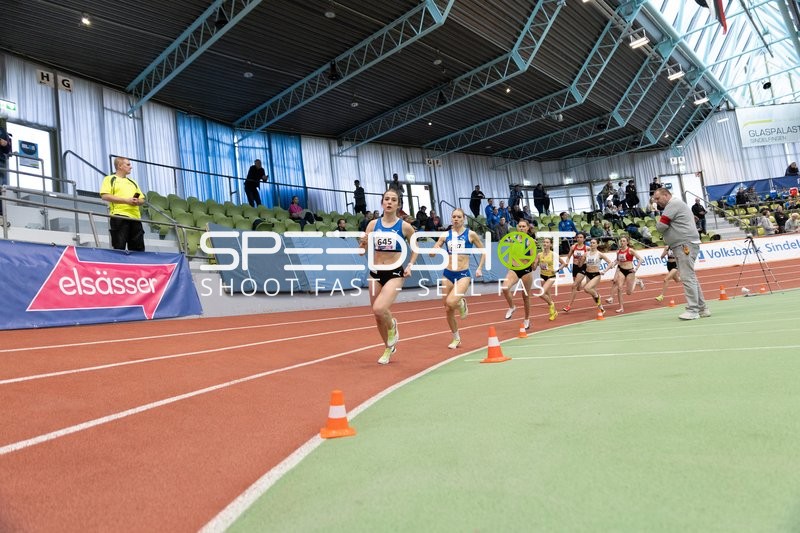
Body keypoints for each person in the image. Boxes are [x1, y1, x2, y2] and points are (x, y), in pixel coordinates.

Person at [360, 189, 418, 364]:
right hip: (375, 273)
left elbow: (415, 248)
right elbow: (363, 249)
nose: (389, 202)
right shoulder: (372, 224)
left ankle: (392, 325)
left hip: (394, 273)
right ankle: (388, 348)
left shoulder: (405, 227)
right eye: (386, 199)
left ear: (398, 204)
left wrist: (410, 265)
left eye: (393, 200)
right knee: (377, 315)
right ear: (382, 202)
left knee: (380, 308)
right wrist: (362, 245)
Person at [429, 208, 485, 349]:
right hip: (448, 273)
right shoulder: (446, 234)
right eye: (454, 216)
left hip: (463, 274)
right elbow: (434, 250)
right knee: (448, 308)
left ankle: (460, 303)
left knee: (451, 301)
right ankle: (456, 338)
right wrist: (434, 250)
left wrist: (479, 268)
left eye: (459, 217)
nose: (456, 219)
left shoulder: (470, 234)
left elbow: (483, 251)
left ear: (463, 219)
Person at [653, 187, 710, 320]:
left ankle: (693, 310)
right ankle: (702, 308)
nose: (656, 201)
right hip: (685, 243)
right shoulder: (676, 204)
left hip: (684, 244)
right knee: (690, 277)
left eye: (658, 198)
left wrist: (661, 226)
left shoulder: (673, 205)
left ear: (666, 195)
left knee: (687, 277)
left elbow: (661, 226)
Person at [100, 157, 145, 252]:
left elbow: (142, 199)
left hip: (136, 218)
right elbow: (105, 196)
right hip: (119, 216)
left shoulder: (133, 182)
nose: (131, 167)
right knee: (119, 247)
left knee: (138, 250)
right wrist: (126, 200)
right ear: (120, 166)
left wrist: (137, 201)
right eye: (128, 164)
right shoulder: (109, 179)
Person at [500, 218, 536, 330]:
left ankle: (527, 319)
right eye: (519, 226)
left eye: (523, 226)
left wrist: (534, 264)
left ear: (527, 228)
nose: (521, 228)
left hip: (526, 270)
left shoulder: (530, 241)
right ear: (517, 227)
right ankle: (512, 307)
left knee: (525, 297)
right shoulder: (512, 238)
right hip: (514, 269)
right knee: (505, 287)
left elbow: (533, 259)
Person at [605, 236, 645, 313]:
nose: (622, 242)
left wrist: (636, 269)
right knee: (619, 288)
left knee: (629, 292)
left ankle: (637, 281)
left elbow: (640, 259)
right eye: (621, 241)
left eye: (624, 241)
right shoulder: (618, 251)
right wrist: (613, 265)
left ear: (627, 242)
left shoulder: (630, 250)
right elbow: (617, 260)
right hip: (621, 270)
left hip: (630, 271)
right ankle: (621, 307)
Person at [559, 232, 588, 313]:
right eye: (578, 237)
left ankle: (569, 306)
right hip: (574, 267)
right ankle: (585, 282)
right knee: (578, 288)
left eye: (581, 237)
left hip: (583, 267)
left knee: (574, 286)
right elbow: (568, 257)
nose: (579, 239)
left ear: (584, 239)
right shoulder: (573, 247)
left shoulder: (587, 248)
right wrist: (567, 262)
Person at [582, 238, 612, 314]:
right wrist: (580, 260)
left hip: (596, 275)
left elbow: (610, 263)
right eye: (591, 243)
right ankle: (601, 308)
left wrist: (604, 271)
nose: (591, 244)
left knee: (587, 288)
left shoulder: (599, 254)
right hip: (588, 274)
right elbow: (581, 264)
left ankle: (598, 295)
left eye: (593, 243)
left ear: (597, 244)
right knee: (592, 294)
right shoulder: (586, 253)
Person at [532, 237, 558, 321]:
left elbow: (564, 263)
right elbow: (534, 268)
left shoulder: (553, 254)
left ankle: (552, 304)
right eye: (544, 242)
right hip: (542, 276)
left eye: (547, 242)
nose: (545, 244)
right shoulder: (539, 255)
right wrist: (533, 262)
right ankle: (554, 313)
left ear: (550, 244)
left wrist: (557, 270)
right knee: (548, 295)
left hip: (551, 276)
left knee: (541, 293)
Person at [0, 124, 11, 216]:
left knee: (1, 187)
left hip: (0, 162)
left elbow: (8, 150)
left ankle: (0, 212)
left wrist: (6, 144)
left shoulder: (2, 131)